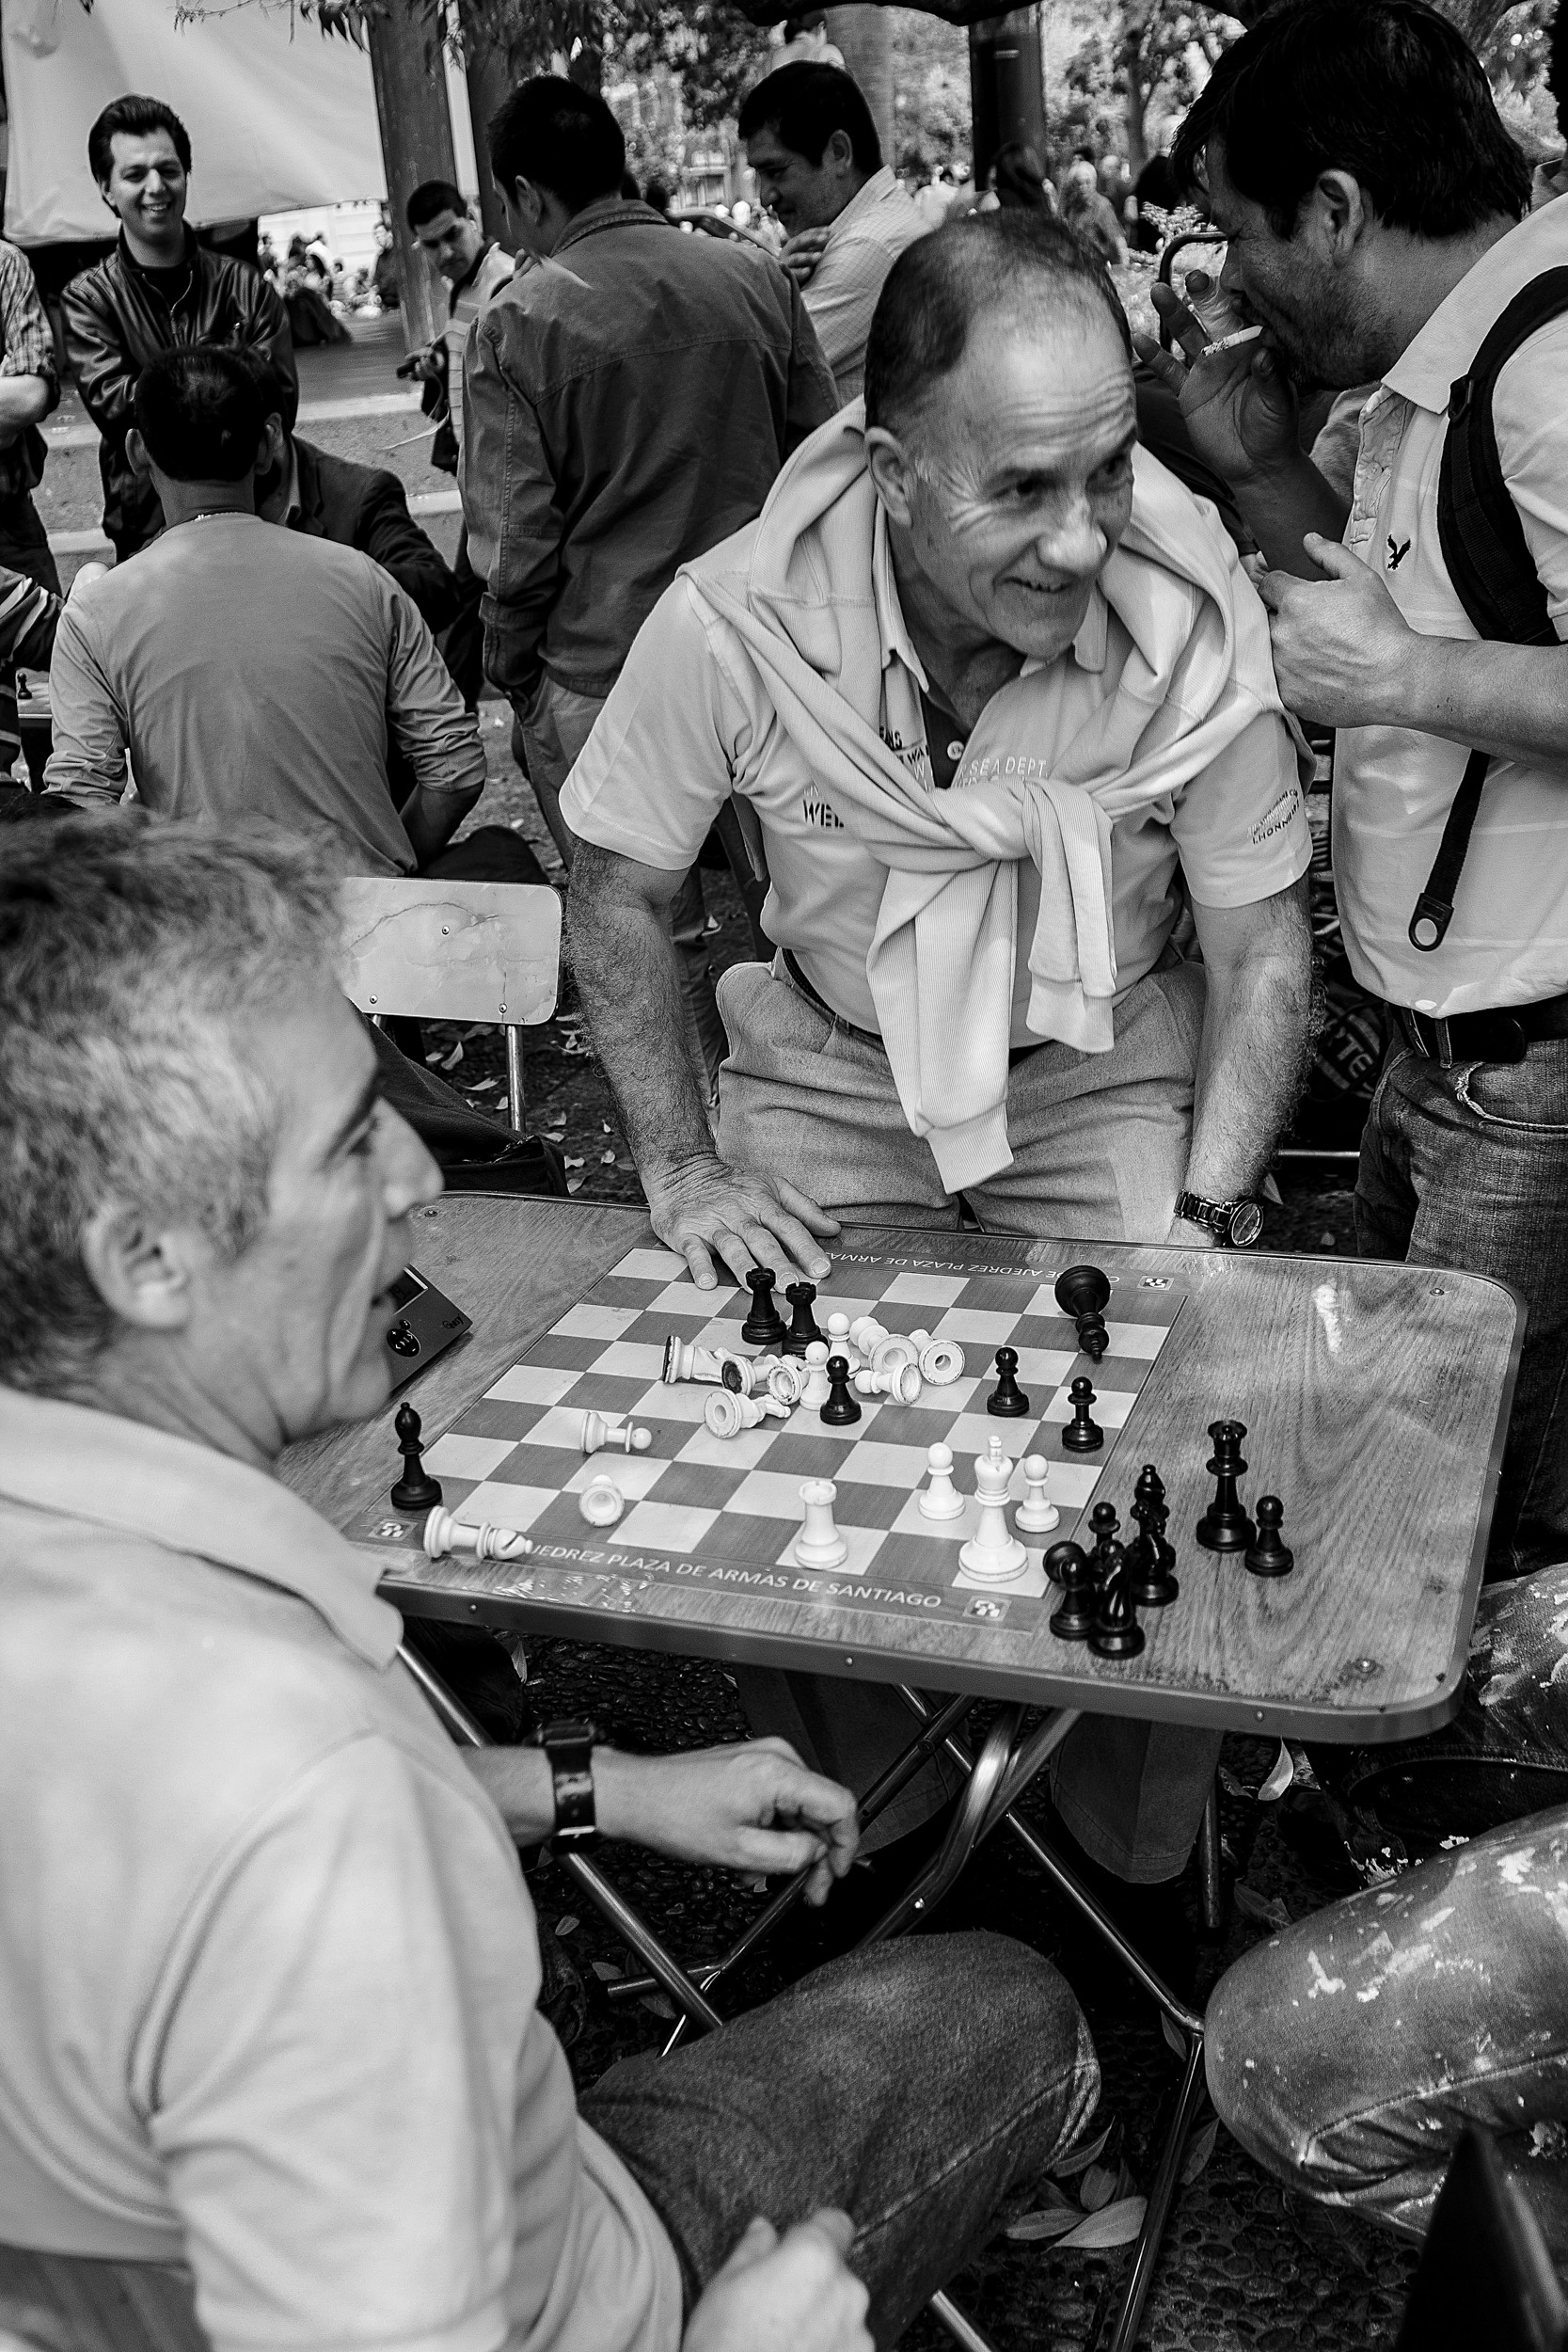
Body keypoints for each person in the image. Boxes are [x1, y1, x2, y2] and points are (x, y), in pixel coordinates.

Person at [0, 811, 1101, 2352]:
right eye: (345, 1138)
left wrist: (588, 1788)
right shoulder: (299, 1797)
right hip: (591, 2294)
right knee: (1006, 2005)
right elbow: (273, 1840)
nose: (412, 1179)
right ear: (147, 1257)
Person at [559, 214, 1314, 1913]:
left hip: (1097, 1065)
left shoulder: (1190, 623)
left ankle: (1120, 1851)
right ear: (892, 471)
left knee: (1175, 1404)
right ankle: (872, 1819)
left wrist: (1202, 1206)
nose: (1078, 539)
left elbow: (1263, 951)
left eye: (1109, 471)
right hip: (827, 1067)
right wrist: (681, 1165)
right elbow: (612, 885)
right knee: (740, 1413)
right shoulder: (734, 623)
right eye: (1022, 488)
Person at [1142, 0, 1568, 1578]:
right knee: (1398, 1482)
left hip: (1530, 1076)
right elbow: (1438, 606)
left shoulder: (1542, 364)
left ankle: (1451, 1806)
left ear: (1332, 209)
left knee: (1442, 1532)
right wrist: (1256, 474)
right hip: (1442, 1062)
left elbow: (1409, 661)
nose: (1220, 275)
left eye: (1234, 231)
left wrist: (1401, 684)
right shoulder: (1444, 363)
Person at [463, 75, 838, 1081]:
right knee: (784, 909)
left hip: (604, 671)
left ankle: (689, 1137)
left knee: (635, 919)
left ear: (530, 195)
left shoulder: (519, 321)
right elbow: (825, 461)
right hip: (770, 657)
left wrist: (511, 666)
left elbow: (513, 539)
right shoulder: (754, 277)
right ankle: (795, 1100)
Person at [43, 347, 487, 882]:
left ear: (137, 451)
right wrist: (387, 865)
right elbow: (456, 771)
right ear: (267, 446)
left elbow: (83, 808)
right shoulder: (365, 580)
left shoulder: (96, 613)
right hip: (368, 924)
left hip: (210, 934)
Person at [63, 94, 296, 561]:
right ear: (106, 188)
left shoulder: (245, 285)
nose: (157, 187)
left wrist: (160, 389)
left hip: (250, 515)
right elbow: (114, 406)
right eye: (134, 175)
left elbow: (280, 399)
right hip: (145, 527)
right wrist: (226, 375)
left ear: (186, 174)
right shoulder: (90, 298)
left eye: (169, 170)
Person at [738, 63, 927, 405]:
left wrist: (771, 293)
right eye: (759, 176)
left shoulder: (868, 248)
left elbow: (746, 379)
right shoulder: (867, 231)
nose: (766, 197)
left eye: (777, 171)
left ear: (839, 153)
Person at [247, 360, 461, 637]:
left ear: (269, 436)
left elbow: (438, 590)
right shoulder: (188, 499)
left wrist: (329, 582)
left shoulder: (360, 494)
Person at [404, 179, 515, 702]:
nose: (445, 252)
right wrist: (436, 364)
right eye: (431, 244)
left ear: (473, 218)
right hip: (480, 477)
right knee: (472, 603)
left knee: (467, 604)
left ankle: (450, 719)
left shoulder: (505, 282)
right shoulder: (466, 288)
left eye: (452, 235)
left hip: (502, 478)